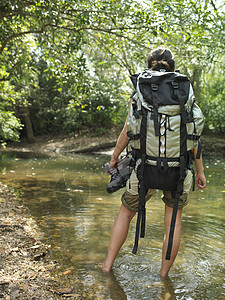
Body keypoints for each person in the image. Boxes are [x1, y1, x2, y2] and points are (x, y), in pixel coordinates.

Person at [102, 47, 206, 277]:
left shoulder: (142, 88)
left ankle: (107, 266)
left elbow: (128, 130)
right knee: (173, 222)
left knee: (126, 212)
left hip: (143, 167)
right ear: (172, 65)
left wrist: (115, 155)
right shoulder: (184, 90)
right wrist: (200, 171)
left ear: (150, 65)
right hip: (178, 169)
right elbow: (193, 135)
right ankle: (163, 277)